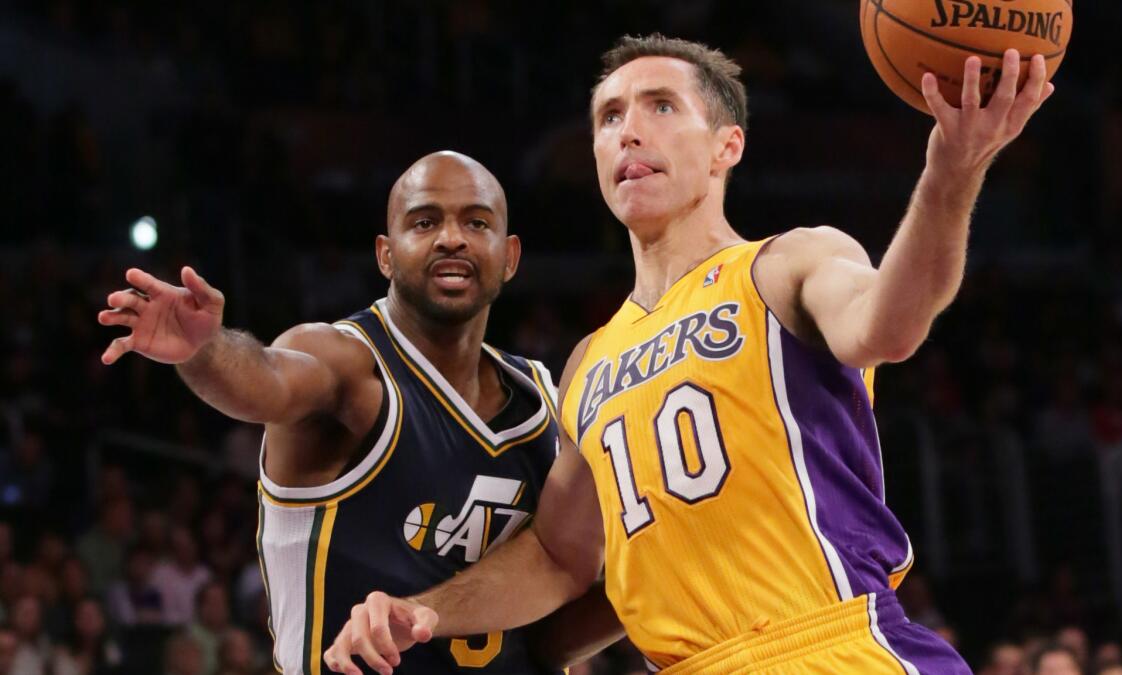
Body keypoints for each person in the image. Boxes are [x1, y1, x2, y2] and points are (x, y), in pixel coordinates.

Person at [324, 34, 1055, 674]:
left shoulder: (787, 264)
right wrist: (421, 612)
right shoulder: (589, 361)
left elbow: (889, 324)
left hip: (830, 646)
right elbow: (558, 556)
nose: (628, 133)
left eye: (660, 107)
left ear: (725, 146)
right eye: (609, 117)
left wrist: (952, 172)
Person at [98, 151, 621, 673]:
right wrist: (205, 351)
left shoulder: (545, 400)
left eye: (476, 222)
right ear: (385, 255)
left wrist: (665, 578)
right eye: (425, 221)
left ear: (509, 257)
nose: (452, 238)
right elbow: (265, 381)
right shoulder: (346, 365)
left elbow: (549, 636)